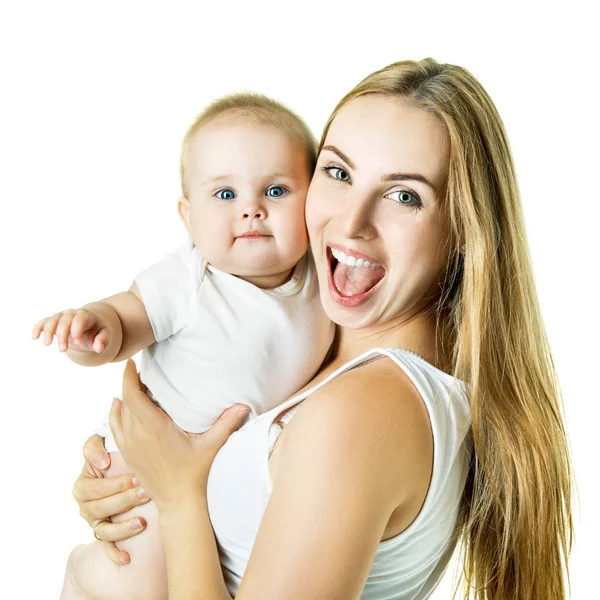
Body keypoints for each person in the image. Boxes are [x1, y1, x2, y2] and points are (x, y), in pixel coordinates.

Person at [69, 58, 574, 600]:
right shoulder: (316, 354)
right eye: (338, 173)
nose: (351, 223)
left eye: (405, 196)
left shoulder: (362, 411)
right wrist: (129, 482)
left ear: (465, 232)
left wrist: (179, 497)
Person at [35, 92, 334, 599]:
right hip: (145, 470)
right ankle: (84, 576)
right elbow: (126, 319)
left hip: (209, 486)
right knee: (144, 574)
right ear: (188, 216)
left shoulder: (319, 283)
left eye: (277, 190)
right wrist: (91, 330)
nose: (252, 210)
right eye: (224, 195)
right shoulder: (192, 277)